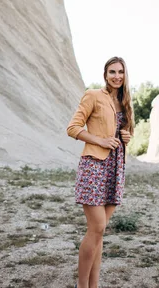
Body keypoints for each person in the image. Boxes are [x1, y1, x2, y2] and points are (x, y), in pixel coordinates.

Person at [66, 56, 134, 288]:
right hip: (94, 165)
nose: (117, 76)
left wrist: (126, 136)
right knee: (97, 227)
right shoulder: (93, 95)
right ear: (105, 74)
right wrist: (100, 140)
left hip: (115, 167)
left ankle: (93, 286)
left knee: (99, 232)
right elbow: (73, 128)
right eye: (112, 72)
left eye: (121, 72)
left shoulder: (125, 102)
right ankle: (82, 286)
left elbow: (124, 132)